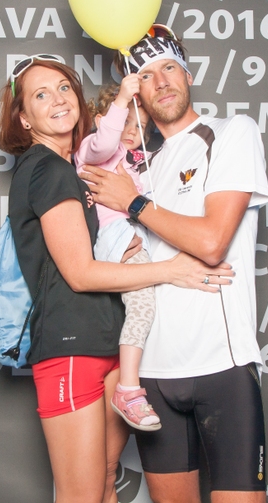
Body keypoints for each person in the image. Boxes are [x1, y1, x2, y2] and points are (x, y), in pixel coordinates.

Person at [0, 54, 235, 503]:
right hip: (71, 348)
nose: (58, 100)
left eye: (64, 88)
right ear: (24, 118)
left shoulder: (76, 166)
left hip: (107, 344)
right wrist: (173, 270)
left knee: (105, 485)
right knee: (83, 495)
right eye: (41, 95)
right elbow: (81, 274)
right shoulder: (47, 169)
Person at [81, 25, 268, 503]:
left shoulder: (229, 132)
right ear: (136, 94)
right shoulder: (135, 166)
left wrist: (134, 203)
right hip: (151, 375)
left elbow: (212, 242)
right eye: (146, 75)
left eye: (169, 67)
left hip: (222, 365)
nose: (161, 81)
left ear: (187, 75)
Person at [75, 76, 161, 431]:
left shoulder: (133, 161)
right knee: (143, 306)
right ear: (102, 119)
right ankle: (128, 389)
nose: (130, 131)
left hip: (131, 234)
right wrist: (124, 98)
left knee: (145, 307)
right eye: (124, 121)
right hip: (115, 237)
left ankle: (129, 383)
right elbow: (106, 140)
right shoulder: (93, 149)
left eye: (139, 127)